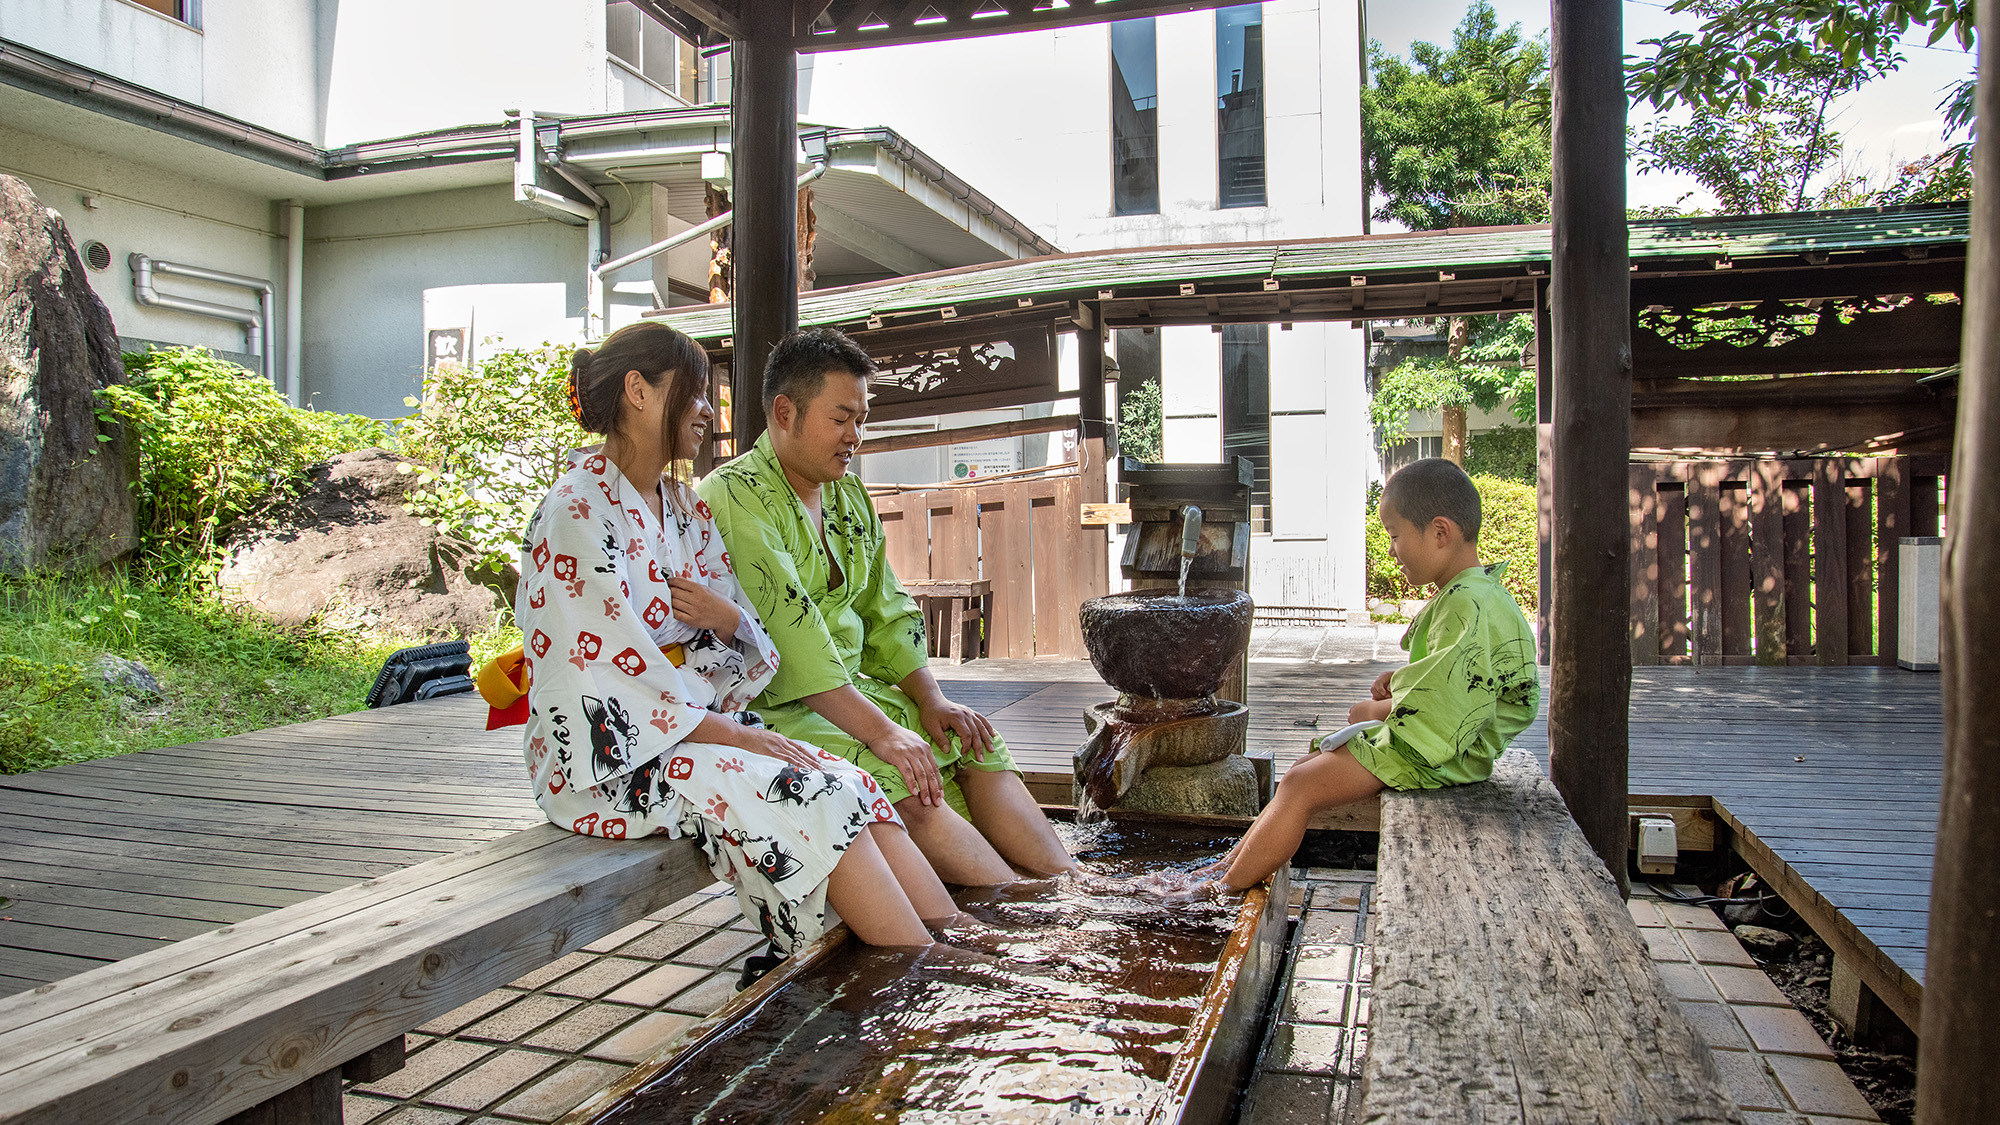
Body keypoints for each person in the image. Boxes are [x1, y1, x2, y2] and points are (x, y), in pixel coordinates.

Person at [515, 321, 957, 959]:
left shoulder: (682, 505)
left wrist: (728, 621)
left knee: (848, 780)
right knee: (803, 791)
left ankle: (955, 939)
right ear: (639, 392)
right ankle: (924, 964)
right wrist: (739, 733)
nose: (707, 412)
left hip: (690, 730)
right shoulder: (575, 511)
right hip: (610, 758)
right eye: (694, 393)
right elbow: (605, 676)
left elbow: (740, 630)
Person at [698, 328, 1075, 886]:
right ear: (784, 411)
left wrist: (931, 698)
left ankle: (1070, 882)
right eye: (841, 418)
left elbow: (886, 608)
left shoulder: (847, 494)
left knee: (969, 738)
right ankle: (1020, 902)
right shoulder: (733, 496)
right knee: (897, 772)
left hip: (854, 692)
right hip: (779, 705)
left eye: (862, 420)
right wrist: (882, 733)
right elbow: (790, 638)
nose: (855, 436)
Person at [1205, 457, 1540, 891]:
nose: (1390, 551)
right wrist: (1399, 681)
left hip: (1446, 754)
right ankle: (1224, 868)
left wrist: (1377, 709)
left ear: (1440, 533)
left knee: (1303, 784)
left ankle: (1217, 889)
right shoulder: (1478, 595)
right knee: (1304, 769)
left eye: (1395, 536)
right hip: (1455, 747)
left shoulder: (1465, 603)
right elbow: (1455, 677)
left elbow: (1447, 703)